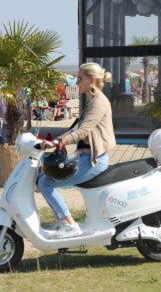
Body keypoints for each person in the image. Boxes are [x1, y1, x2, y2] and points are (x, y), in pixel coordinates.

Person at [38, 62, 116, 238]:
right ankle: (62, 221)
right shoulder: (92, 100)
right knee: (41, 178)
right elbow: (75, 128)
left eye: (80, 79)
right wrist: (56, 140)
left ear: (92, 80)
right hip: (84, 156)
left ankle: (69, 224)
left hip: (93, 161)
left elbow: (83, 131)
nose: (77, 82)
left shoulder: (99, 102)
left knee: (45, 183)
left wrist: (61, 142)